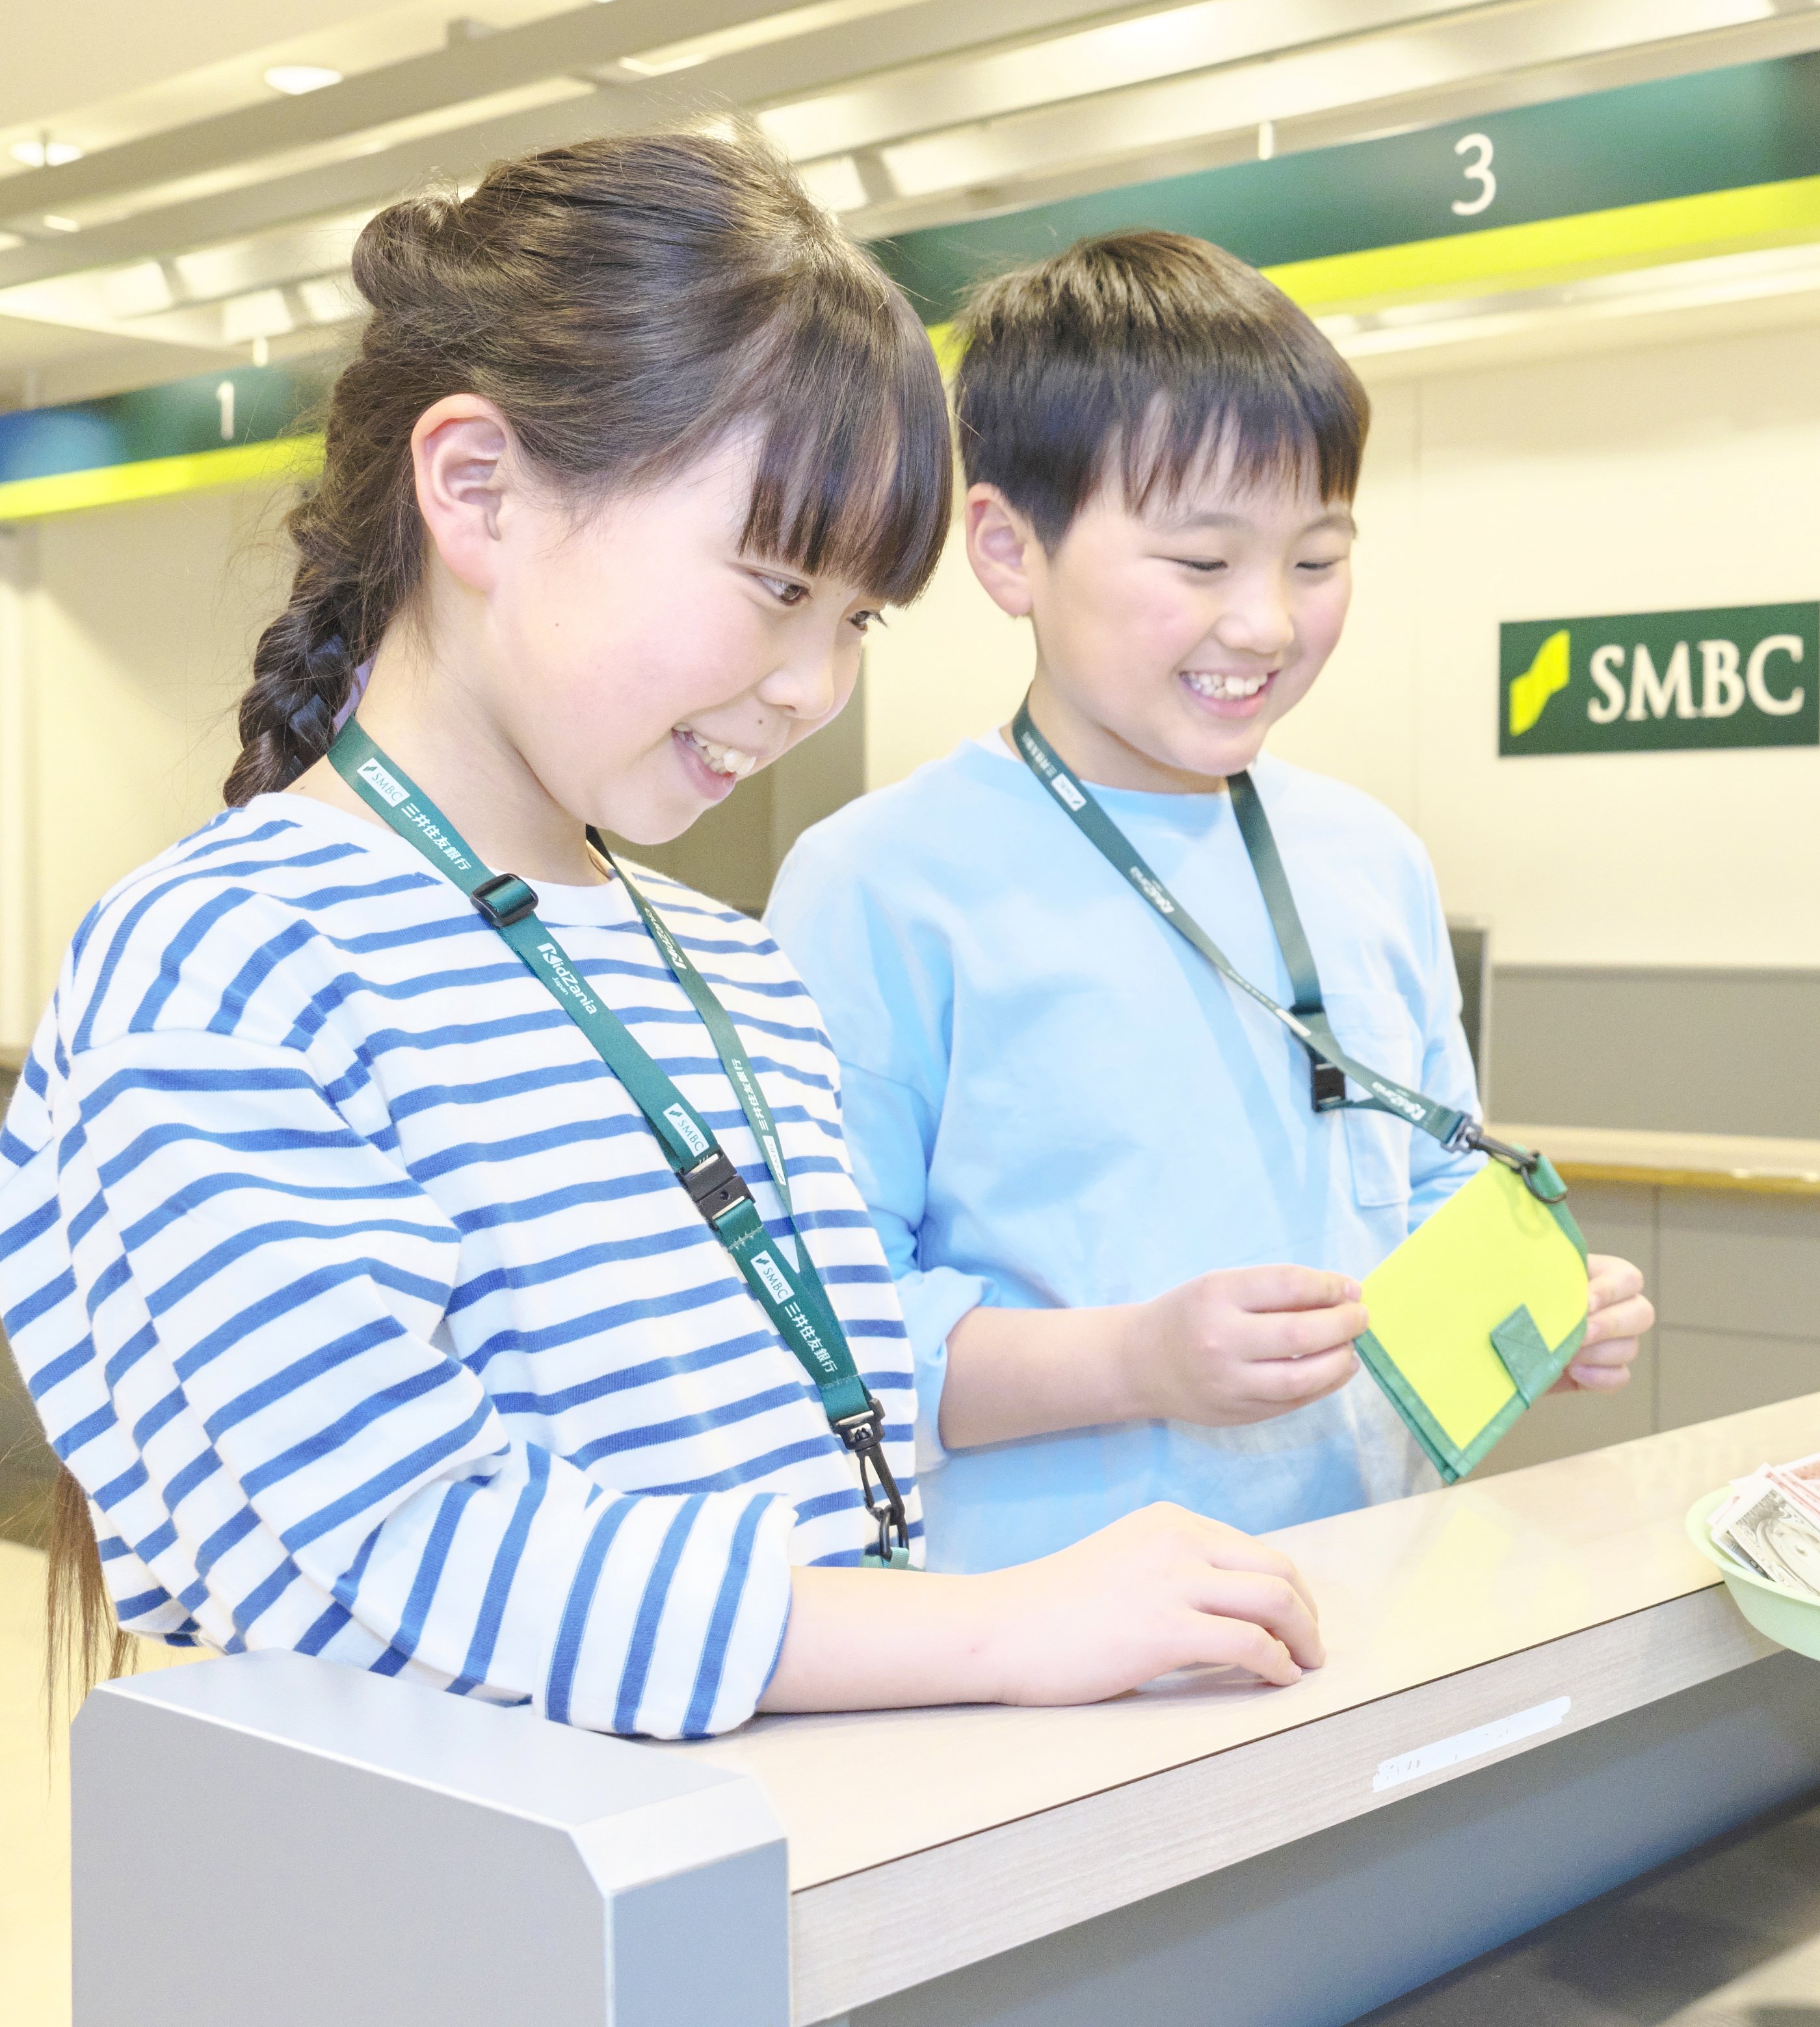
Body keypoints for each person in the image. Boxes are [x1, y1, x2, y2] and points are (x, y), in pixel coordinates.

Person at [3, 134, 1325, 1738]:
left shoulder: (736, 969)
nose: (811, 686)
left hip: (820, 1873)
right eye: (775, 588)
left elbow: (835, 1437)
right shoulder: (225, 962)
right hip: (501, 1938)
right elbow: (378, 1552)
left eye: (857, 621)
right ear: (476, 488)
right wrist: (988, 1628)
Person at [769, 230, 1650, 1575]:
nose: (1266, 624)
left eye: (1315, 561)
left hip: (1374, 1588)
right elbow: (824, 1344)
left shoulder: (1369, 859)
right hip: (1042, 1642)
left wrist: (1536, 1311)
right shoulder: (880, 886)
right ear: (1008, 551)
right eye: (1200, 563)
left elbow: (1425, 1201)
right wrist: (1135, 1360)